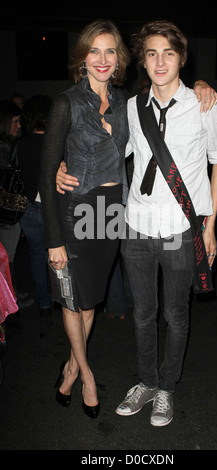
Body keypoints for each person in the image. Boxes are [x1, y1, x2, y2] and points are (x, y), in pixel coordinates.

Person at [55, 21, 217, 423]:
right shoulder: (131, 106)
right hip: (135, 227)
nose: (160, 61)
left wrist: (209, 226)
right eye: (151, 53)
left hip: (181, 230)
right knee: (142, 313)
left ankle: (166, 388)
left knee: (175, 315)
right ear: (143, 62)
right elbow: (105, 147)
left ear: (182, 57)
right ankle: (147, 382)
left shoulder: (205, 104)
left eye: (168, 52)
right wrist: (63, 166)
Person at [39, 19, 130, 419]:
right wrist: (53, 239)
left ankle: (71, 366)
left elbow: (168, 106)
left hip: (110, 212)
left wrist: (201, 87)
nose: (103, 59)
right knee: (72, 299)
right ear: (83, 57)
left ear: (119, 58)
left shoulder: (129, 104)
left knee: (89, 298)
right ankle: (88, 375)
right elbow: (46, 173)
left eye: (110, 50)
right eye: (95, 50)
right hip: (76, 212)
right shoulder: (67, 103)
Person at [17, 95, 52, 315]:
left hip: (29, 207)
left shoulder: (21, 144)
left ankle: (44, 302)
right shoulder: (56, 142)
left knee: (37, 256)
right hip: (53, 207)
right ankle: (65, 300)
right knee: (60, 257)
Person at [0, 100, 33, 309]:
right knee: (7, 255)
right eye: (15, 121)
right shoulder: (3, 148)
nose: (18, 126)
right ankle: (10, 297)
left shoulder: (8, 145)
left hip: (6, 210)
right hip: (6, 211)